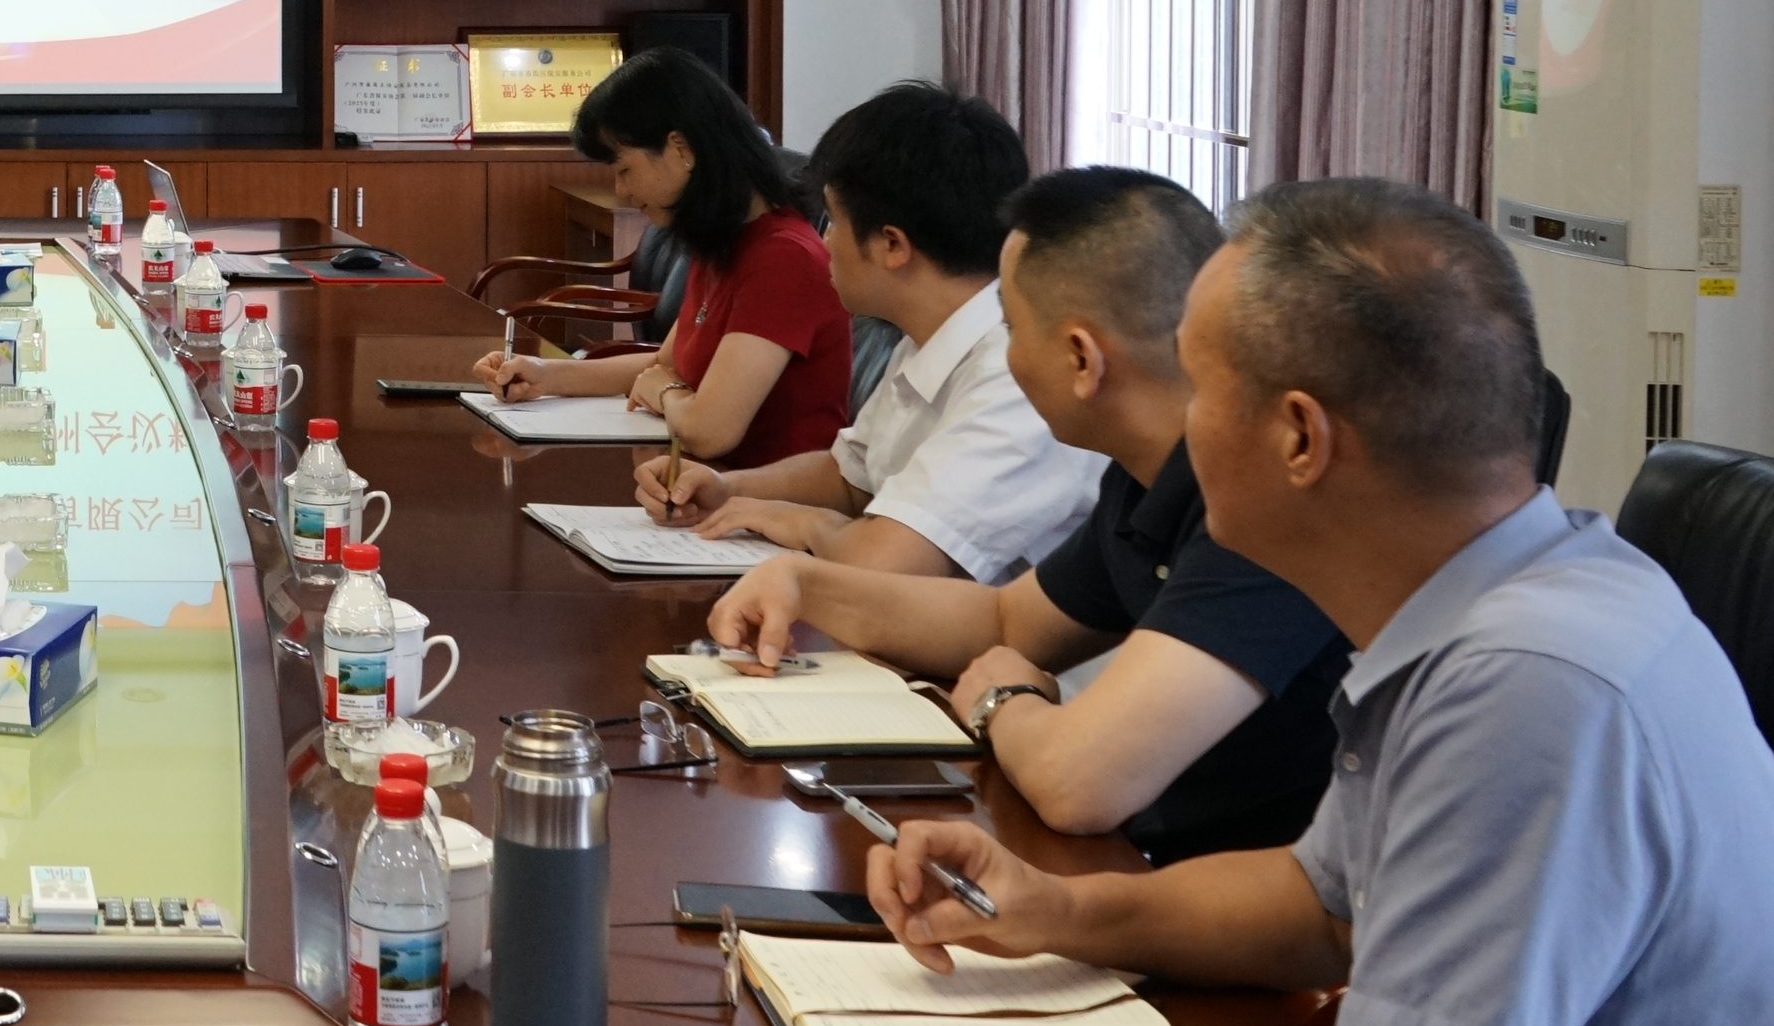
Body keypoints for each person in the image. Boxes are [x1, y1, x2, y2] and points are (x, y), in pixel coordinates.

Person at [864, 179, 1774, 1026]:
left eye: (1200, 385)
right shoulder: (1529, 591)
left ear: (1299, 437)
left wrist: (1365, 1000)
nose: (1180, 427)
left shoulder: (1524, 685)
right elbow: (1319, 908)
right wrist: (1060, 911)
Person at [709, 168, 1343, 859]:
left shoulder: (1259, 509)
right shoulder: (1146, 477)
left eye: (1011, 328)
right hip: (1148, 868)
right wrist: (806, 586)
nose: (1004, 358)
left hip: (1223, 897)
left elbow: (1078, 783)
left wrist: (1001, 699)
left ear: (1081, 359)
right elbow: (1007, 620)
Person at [643, 81, 1100, 579]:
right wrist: (727, 489)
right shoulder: (927, 336)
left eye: (834, 221)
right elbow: (851, 478)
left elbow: (892, 559)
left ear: (892, 245)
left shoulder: (1014, 377)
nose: (824, 242)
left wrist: (801, 523)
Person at [472, 48, 851, 464]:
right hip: (702, 482)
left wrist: (665, 391)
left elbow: (709, 431)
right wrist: (546, 375)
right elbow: (665, 363)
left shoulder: (783, 259)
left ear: (680, 149)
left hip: (762, 495)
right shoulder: (726, 241)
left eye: (624, 169)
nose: (621, 190)